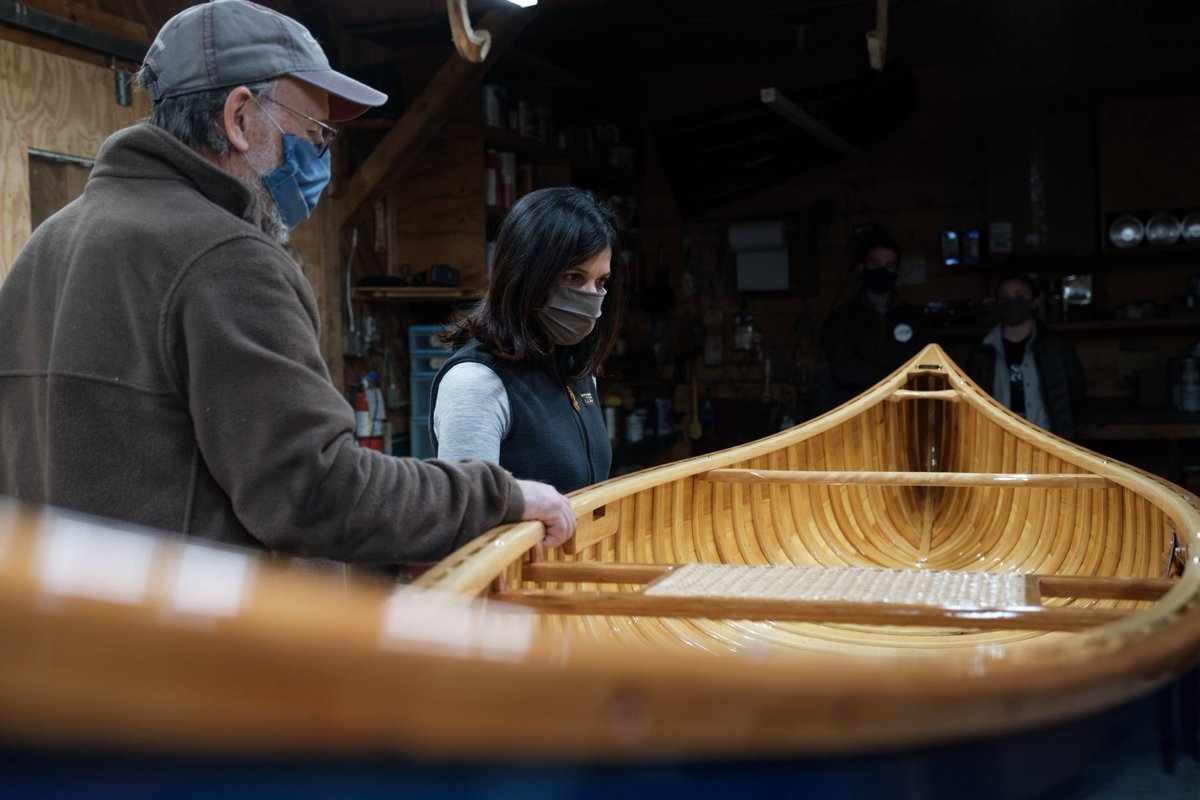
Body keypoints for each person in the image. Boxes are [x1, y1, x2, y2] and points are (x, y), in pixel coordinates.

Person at [0, 0, 574, 563]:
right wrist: (500, 496)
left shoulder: (43, 247)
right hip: (194, 623)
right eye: (315, 133)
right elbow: (319, 492)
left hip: (56, 619)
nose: (320, 157)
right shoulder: (224, 258)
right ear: (239, 118)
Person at [430, 187, 623, 494]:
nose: (591, 296)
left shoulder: (576, 369)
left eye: (601, 282)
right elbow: (469, 512)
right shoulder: (476, 382)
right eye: (573, 277)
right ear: (526, 275)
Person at [818, 235, 935, 409]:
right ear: (862, 267)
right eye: (875, 263)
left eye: (889, 266)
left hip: (905, 409)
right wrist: (896, 375)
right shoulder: (840, 319)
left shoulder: (917, 319)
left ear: (896, 272)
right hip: (857, 410)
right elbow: (844, 371)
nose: (882, 270)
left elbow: (925, 367)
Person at [966, 273, 1086, 439]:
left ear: (1034, 302)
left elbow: (1075, 392)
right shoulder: (983, 350)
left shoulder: (1056, 346)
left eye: (1020, 296)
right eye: (1005, 297)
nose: (1012, 302)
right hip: (998, 440)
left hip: (1048, 439)